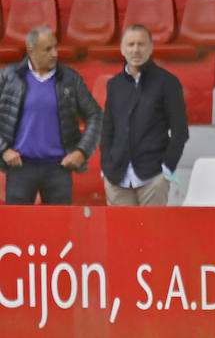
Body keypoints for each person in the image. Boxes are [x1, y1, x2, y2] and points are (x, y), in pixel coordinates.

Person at [0, 26, 102, 205]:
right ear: (31, 51)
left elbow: (95, 115)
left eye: (55, 47)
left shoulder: (70, 78)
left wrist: (82, 151)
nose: (54, 53)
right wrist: (3, 149)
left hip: (59, 168)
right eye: (48, 49)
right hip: (20, 168)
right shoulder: (8, 77)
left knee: (61, 229)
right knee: (18, 229)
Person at [99, 24, 189, 206]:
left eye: (141, 44)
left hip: (153, 178)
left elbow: (180, 131)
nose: (136, 50)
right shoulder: (114, 85)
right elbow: (107, 130)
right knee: (120, 233)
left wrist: (166, 170)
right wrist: (106, 168)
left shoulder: (168, 82)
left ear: (151, 47)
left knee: (153, 233)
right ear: (122, 49)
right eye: (131, 44)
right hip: (117, 178)